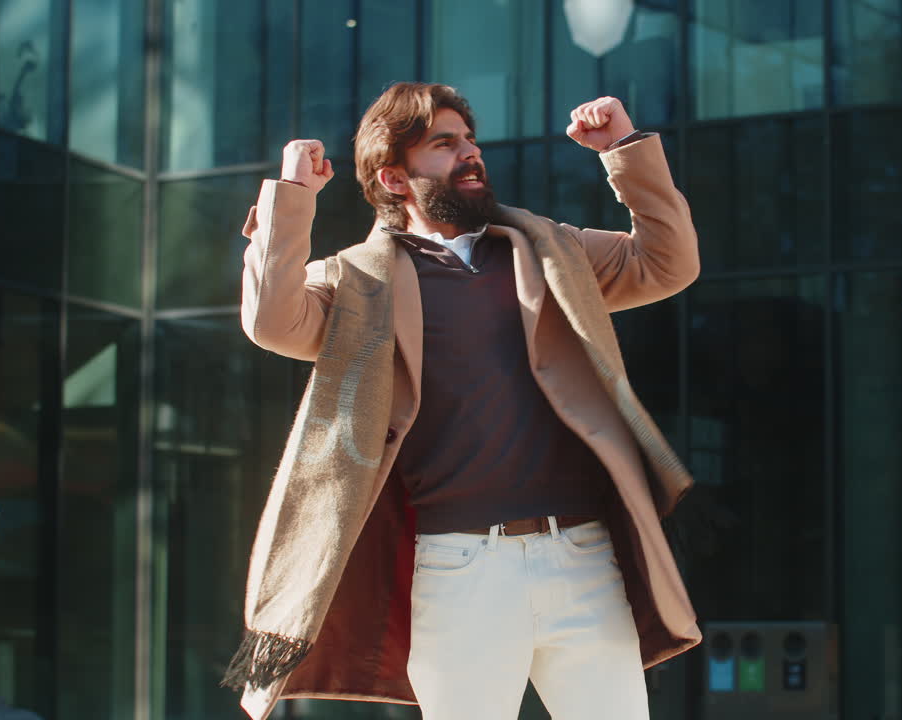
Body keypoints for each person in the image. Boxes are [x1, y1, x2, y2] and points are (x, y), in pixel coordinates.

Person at [224, 82, 701, 720]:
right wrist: (292, 198)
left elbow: (667, 263)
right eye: (444, 145)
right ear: (394, 178)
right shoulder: (359, 282)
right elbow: (272, 320)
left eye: (469, 140)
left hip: (583, 557)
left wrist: (622, 148)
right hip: (458, 570)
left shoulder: (549, 249)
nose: (469, 153)